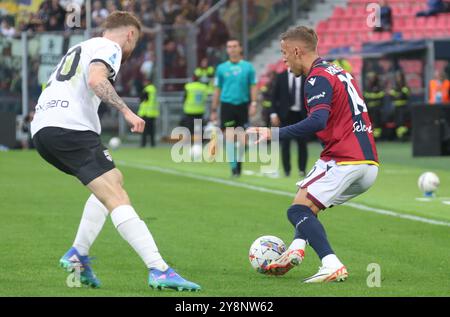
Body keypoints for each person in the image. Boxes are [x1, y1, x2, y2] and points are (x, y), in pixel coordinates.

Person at [30, 12, 200, 291]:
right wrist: (127, 112)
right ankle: (159, 269)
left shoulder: (81, 46)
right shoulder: (110, 47)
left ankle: (78, 254)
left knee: (113, 180)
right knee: (116, 196)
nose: (132, 50)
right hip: (70, 129)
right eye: (136, 41)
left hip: (45, 130)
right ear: (130, 34)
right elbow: (97, 80)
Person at [247, 26, 378, 283]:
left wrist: (274, 134)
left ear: (298, 50)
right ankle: (295, 248)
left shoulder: (316, 78)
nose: (283, 60)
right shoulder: (339, 71)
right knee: (304, 205)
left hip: (344, 158)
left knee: (296, 212)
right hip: (367, 162)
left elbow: (318, 121)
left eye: (284, 53)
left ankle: (331, 264)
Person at [210, 39, 258, 177]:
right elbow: (217, 89)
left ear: (240, 48)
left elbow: (253, 86)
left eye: (234, 46)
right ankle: (234, 168)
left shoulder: (248, 67)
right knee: (230, 137)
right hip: (227, 106)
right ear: (227, 50)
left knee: (244, 140)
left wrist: (253, 103)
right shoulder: (221, 68)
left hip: (242, 105)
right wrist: (214, 109)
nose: (232, 49)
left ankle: (238, 161)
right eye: (229, 46)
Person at [270, 69, 308, 177]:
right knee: (285, 144)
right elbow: (273, 96)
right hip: (285, 115)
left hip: (301, 115)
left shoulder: (305, 76)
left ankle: (302, 169)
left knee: (302, 143)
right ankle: (287, 170)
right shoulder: (280, 76)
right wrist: (273, 114)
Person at [181, 75, 209, 141]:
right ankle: (201, 140)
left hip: (189, 110)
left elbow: (184, 97)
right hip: (200, 110)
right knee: (199, 127)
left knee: (189, 126)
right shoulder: (203, 87)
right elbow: (205, 98)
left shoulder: (188, 86)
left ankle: (189, 140)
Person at [138, 79, 160, 147]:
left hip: (146, 113)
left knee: (144, 130)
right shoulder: (154, 89)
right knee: (152, 130)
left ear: (148, 82)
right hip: (152, 113)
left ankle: (143, 144)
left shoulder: (147, 90)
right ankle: (152, 144)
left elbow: (142, 99)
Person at [389, 71, 410, 140]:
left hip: (403, 107)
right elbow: (392, 95)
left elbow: (404, 95)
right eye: (397, 77)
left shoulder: (405, 86)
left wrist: (397, 95)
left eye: (400, 77)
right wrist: (397, 95)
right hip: (396, 107)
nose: (398, 79)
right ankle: (399, 136)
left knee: (402, 122)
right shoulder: (395, 86)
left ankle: (403, 136)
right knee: (397, 122)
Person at [364, 72, 385, 139]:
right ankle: (370, 136)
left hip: (377, 109)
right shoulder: (367, 88)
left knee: (377, 123)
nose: (371, 79)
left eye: (372, 78)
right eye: (369, 78)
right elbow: (365, 98)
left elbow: (381, 98)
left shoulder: (379, 87)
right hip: (369, 109)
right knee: (368, 123)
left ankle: (377, 137)